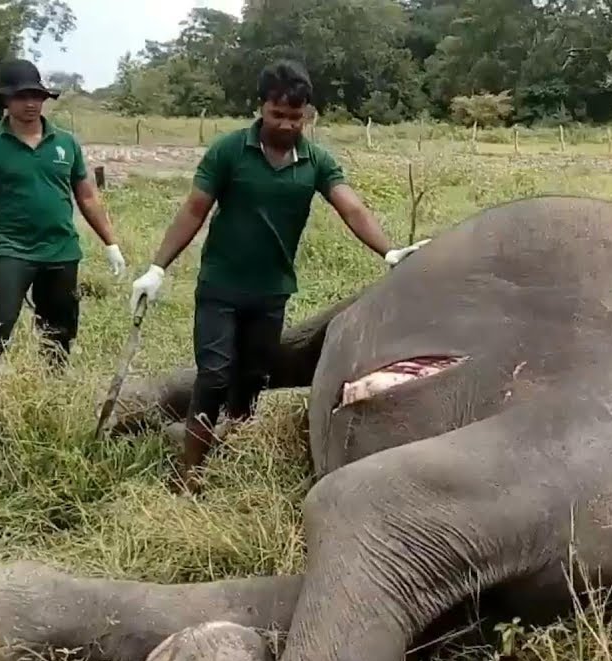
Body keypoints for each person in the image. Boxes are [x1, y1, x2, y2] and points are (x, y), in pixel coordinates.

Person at [128, 59, 428, 485]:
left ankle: (234, 446)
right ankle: (189, 470)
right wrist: (157, 267)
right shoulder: (230, 151)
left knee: (253, 376)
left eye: (295, 116)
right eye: (277, 115)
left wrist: (389, 251)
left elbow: (351, 207)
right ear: (261, 108)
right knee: (214, 375)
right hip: (220, 286)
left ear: (307, 113)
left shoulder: (316, 160)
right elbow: (194, 210)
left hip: (271, 291)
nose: (286, 125)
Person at [0, 59, 125, 404]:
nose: (30, 104)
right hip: (12, 249)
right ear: (5, 101)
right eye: (21, 96)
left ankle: (52, 391)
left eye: (36, 96)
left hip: (61, 250)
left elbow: (86, 196)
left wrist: (111, 242)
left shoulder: (66, 143)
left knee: (59, 326)